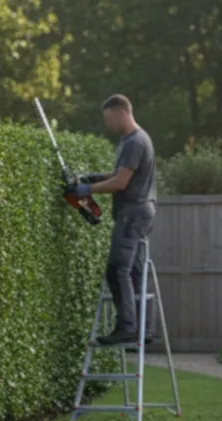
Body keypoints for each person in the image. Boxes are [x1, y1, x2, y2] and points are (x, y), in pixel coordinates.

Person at [71, 94, 157, 346]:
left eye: (109, 119)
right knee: (135, 272)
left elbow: (120, 183)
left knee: (117, 269)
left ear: (121, 113)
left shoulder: (135, 142)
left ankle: (126, 327)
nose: (108, 124)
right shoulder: (132, 140)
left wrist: (86, 190)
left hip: (132, 213)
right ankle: (143, 328)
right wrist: (94, 178)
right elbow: (120, 173)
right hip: (140, 211)